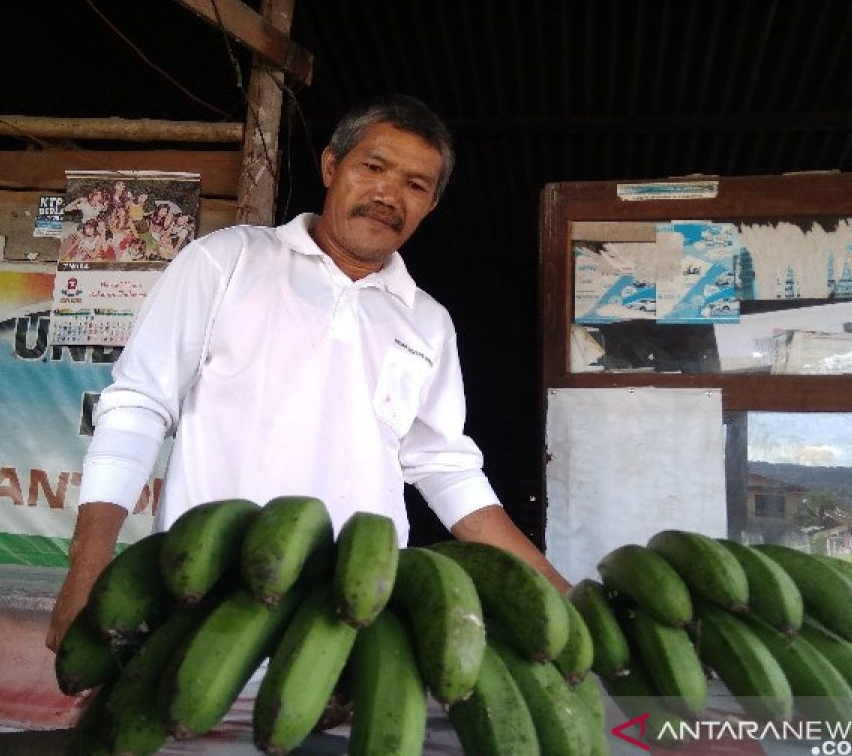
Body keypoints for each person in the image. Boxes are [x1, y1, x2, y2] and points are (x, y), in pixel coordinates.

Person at [45, 94, 570, 652]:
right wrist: (88, 568)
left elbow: (447, 471)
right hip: (205, 598)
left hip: (349, 622)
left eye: (416, 185)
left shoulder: (428, 322)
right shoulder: (229, 261)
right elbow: (138, 405)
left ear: (430, 206)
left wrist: (562, 593)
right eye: (373, 167)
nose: (388, 194)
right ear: (330, 167)